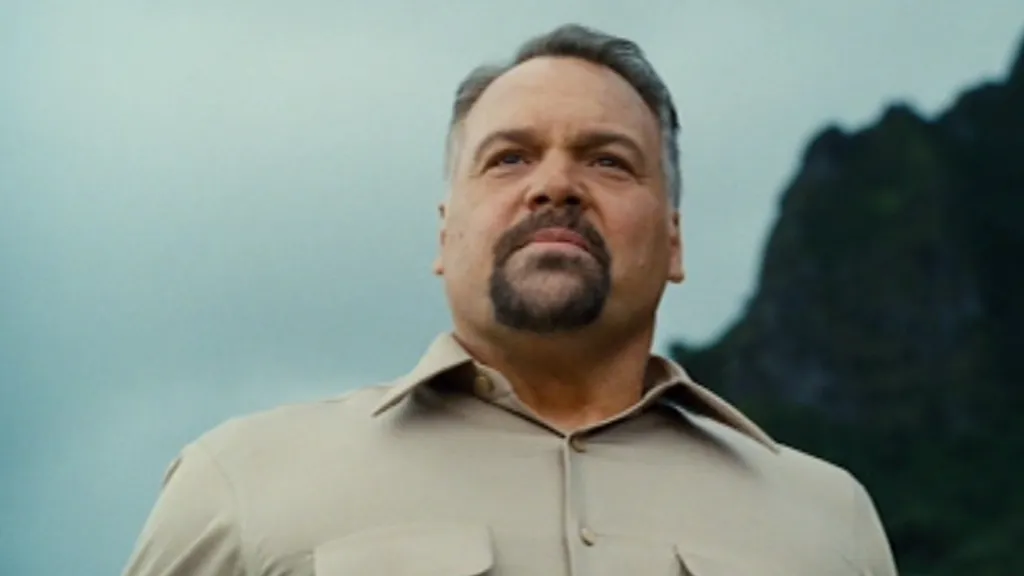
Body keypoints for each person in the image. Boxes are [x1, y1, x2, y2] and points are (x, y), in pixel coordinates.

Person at [122, 23, 898, 576]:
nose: (556, 185)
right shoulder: (239, 485)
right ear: (445, 233)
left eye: (608, 160)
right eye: (509, 158)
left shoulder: (830, 524)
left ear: (674, 242)